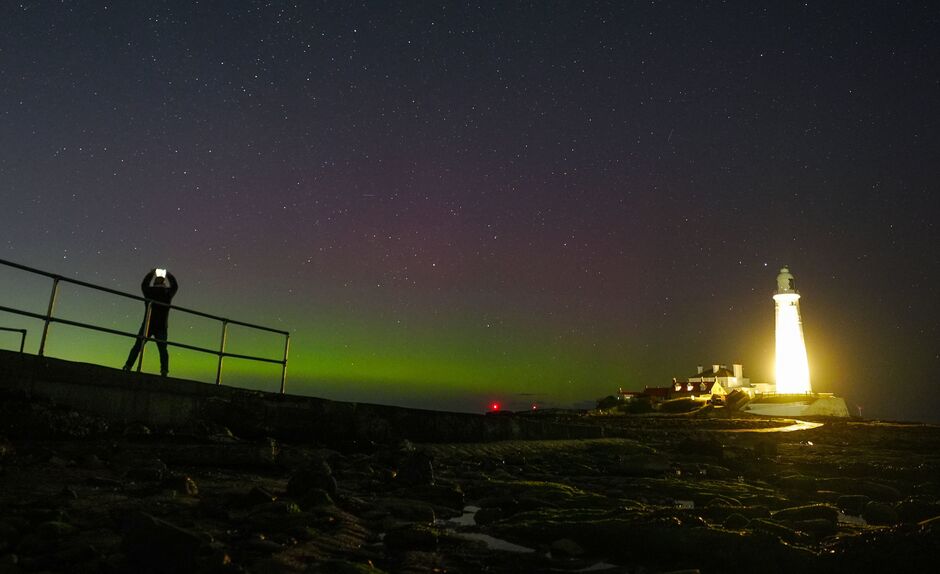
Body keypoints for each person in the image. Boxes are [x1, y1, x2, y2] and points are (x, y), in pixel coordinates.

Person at [123, 268, 179, 376]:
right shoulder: (167, 292)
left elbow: (144, 284)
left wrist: (151, 273)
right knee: (162, 349)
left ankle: (128, 366)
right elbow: (175, 285)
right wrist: (168, 274)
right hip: (160, 325)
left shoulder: (150, 291)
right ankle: (164, 371)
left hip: (148, 324)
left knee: (138, 346)